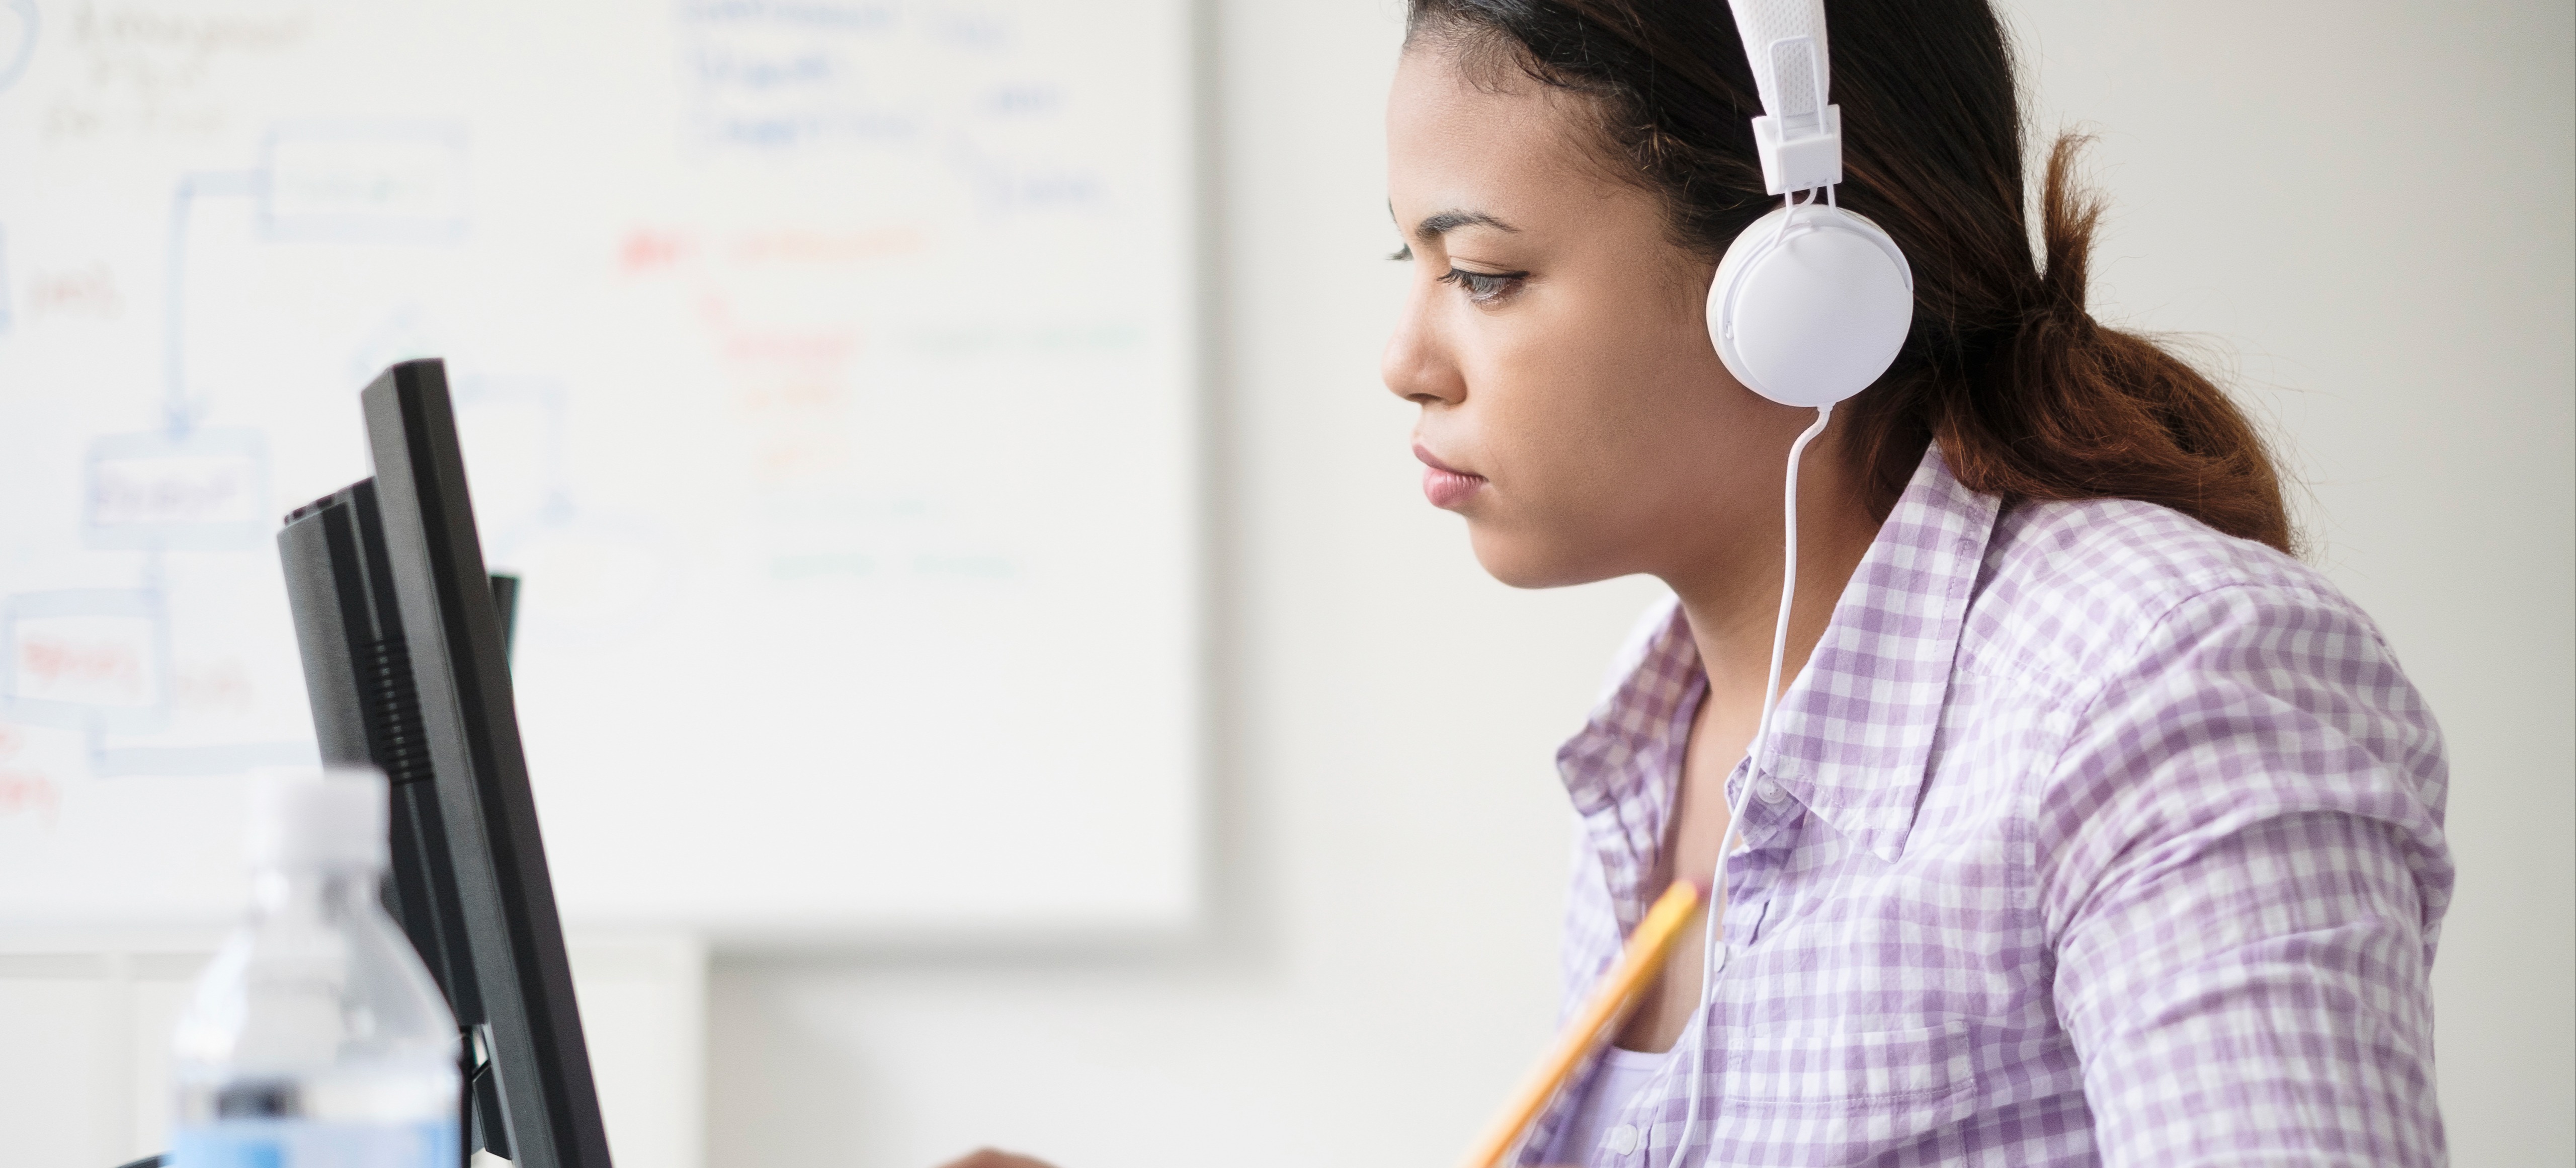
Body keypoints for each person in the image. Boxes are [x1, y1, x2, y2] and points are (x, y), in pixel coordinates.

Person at [944, 1, 2452, 1164]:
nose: (1403, 360)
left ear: (1798, 285)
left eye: (1481, 274)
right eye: (1404, 262)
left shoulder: (2164, 678)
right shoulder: (1656, 727)